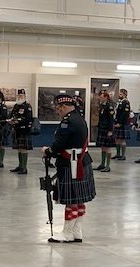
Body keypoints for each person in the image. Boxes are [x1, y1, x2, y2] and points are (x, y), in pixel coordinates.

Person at [42, 94, 96, 243]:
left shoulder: (68, 121)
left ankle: (67, 233)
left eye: (58, 109)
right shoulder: (79, 118)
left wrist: (47, 151)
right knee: (79, 198)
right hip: (82, 161)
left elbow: (59, 145)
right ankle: (77, 231)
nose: (58, 112)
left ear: (64, 107)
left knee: (71, 199)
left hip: (71, 164)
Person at [8, 89, 33, 175]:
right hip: (17, 130)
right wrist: (11, 121)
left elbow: (28, 119)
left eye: (21, 96)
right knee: (19, 149)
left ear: (25, 96)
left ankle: (24, 168)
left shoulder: (27, 106)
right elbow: (12, 115)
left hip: (24, 130)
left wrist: (18, 121)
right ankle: (20, 166)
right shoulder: (16, 106)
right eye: (19, 96)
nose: (20, 97)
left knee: (23, 149)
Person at [94, 90, 115, 172]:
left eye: (101, 96)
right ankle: (102, 164)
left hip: (107, 129)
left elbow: (111, 119)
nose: (100, 98)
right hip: (102, 128)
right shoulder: (102, 105)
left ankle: (108, 166)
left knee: (108, 147)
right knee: (103, 147)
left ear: (106, 97)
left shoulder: (109, 106)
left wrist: (110, 130)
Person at [112, 88, 131, 160]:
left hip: (122, 124)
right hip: (117, 122)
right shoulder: (119, 102)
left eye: (121, 94)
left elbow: (125, 114)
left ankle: (123, 155)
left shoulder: (126, 102)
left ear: (125, 95)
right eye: (119, 94)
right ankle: (118, 154)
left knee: (122, 140)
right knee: (117, 139)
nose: (119, 95)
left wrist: (120, 123)